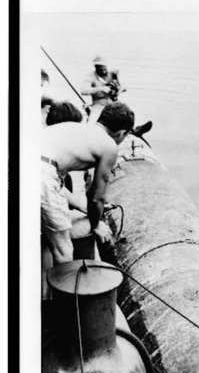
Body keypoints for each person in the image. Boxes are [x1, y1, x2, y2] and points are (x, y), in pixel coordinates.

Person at [41, 101, 134, 265]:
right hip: (43, 174)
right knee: (64, 251)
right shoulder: (109, 146)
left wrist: (83, 207)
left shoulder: (80, 128)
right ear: (121, 133)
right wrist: (96, 224)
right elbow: (96, 197)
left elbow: (55, 184)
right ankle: (63, 289)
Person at [80, 55, 152, 138]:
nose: (104, 71)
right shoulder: (91, 76)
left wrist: (119, 90)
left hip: (113, 104)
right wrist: (100, 88)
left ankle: (136, 130)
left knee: (128, 114)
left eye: (104, 68)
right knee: (91, 124)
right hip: (99, 105)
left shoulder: (113, 73)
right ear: (96, 67)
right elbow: (83, 91)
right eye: (100, 68)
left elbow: (125, 87)